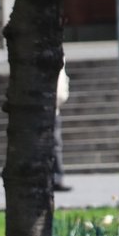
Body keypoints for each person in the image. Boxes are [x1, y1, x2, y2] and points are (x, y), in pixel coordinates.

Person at [53, 59, 71, 192]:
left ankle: (56, 178)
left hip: (54, 108)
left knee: (55, 145)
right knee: (54, 145)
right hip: (51, 107)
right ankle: (55, 178)